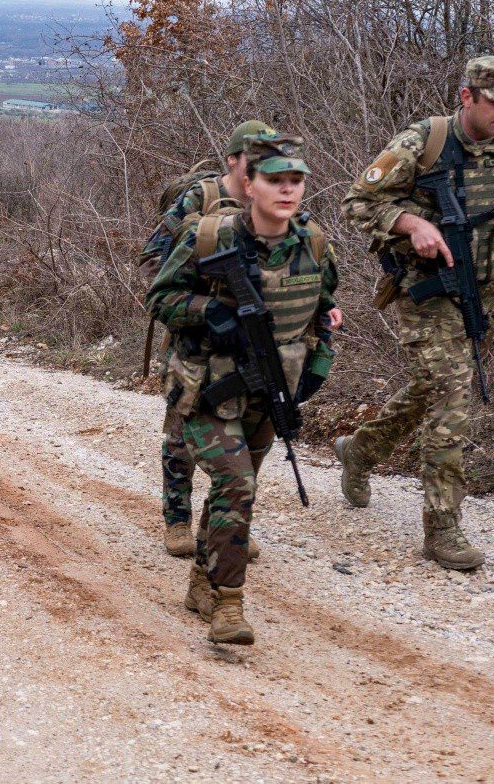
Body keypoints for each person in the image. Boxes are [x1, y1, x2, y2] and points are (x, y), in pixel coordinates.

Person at [335, 55, 494, 571]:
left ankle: (361, 450)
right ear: (467, 97)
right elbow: (356, 203)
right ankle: (442, 529)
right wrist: (409, 222)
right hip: (424, 289)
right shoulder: (422, 142)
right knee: (455, 395)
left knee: (435, 385)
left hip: (483, 288)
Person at [147, 133, 340, 646]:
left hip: (269, 390)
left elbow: (324, 312)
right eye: (274, 180)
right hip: (205, 388)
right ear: (248, 185)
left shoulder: (314, 244)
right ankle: (229, 605)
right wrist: (210, 312)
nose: (286, 191)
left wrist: (317, 366)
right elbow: (161, 296)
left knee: (230, 492)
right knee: (238, 486)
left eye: (295, 181)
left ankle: (200, 585)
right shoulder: (208, 238)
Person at [140, 120, 273, 560]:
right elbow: (153, 262)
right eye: (252, 159)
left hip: (246, 341)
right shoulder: (200, 199)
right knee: (180, 435)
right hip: (194, 343)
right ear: (233, 159)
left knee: (249, 436)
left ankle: (230, 524)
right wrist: (199, 302)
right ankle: (177, 519)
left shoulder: (273, 200)